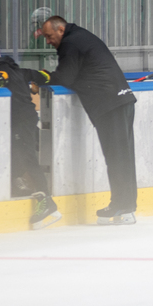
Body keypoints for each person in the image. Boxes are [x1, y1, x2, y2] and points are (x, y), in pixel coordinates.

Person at [32, 16, 138, 225]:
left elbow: (65, 77)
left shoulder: (70, 43)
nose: (48, 41)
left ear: (61, 30)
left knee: (116, 158)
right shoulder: (81, 36)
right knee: (123, 157)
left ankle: (122, 207)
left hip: (109, 103)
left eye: (49, 36)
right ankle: (125, 206)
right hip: (122, 99)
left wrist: (41, 77)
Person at [0, 41, 62, 231]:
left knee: (28, 157)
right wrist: (45, 78)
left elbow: (2, 73)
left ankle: (47, 201)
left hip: (21, 120)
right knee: (19, 155)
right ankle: (20, 184)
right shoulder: (19, 70)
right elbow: (43, 75)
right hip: (26, 119)